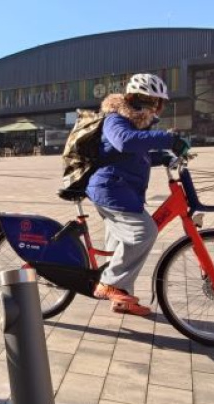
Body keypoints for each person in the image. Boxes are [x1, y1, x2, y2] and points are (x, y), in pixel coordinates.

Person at [86, 73, 189, 316]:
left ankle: (122, 299)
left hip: (121, 190)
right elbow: (124, 142)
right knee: (144, 231)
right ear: (138, 100)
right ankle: (109, 283)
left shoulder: (134, 123)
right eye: (154, 102)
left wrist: (160, 157)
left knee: (123, 245)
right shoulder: (115, 119)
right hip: (110, 189)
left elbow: (133, 155)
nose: (157, 109)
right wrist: (167, 140)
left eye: (159, 103)